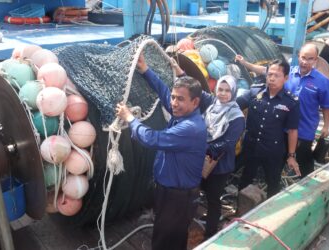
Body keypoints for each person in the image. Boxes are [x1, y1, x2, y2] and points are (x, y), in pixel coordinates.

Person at [116, 54, 207, 250]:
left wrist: (130, 118)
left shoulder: (190, 128)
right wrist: (145, 70)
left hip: (177, 198)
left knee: (164, 241)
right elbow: (164, 93)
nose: (173, 103)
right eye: (174, 97)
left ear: (195, 102)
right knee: (173, 237)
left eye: (180, 99)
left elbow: (151, 139)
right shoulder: (182, 113)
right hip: (170, 193)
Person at [235, 42, 329, 178]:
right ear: (298, 56)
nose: (305, 62)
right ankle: (274, 183)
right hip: (282, 127)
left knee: (304, 161)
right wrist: (245, 63)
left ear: (316, 60)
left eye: (310, 59)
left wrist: (326, 126)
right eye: (303, 57)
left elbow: (326, 106)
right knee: (279, 160)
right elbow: (266, 70)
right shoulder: (289, 74)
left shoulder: (322, 82)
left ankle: (309, 186)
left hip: (304, 129)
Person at [238, 59, 300, 198]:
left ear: (285, 78)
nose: (271, 78)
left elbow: (292, 130)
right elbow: (235, 105)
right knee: (245, 180)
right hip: (251, 148)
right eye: (269, 74)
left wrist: (291, 156)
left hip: (273, 151)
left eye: (276, 75)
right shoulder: (254, 92)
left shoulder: (291, 102)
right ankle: (240, 212)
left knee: (273, 183)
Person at [199, 75, 245, 239]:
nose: (223, 94)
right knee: (200, 191)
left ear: (233, 92)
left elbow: (227, 143)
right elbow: (195, 87)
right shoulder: (212, 105)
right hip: (202, 160)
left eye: (227, 90)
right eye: (220, 89)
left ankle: (210, 234)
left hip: (220, 165)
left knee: (213, 198)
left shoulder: (237, 116)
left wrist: (201, 147)